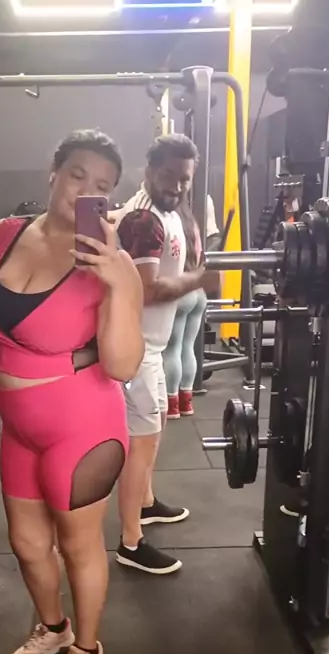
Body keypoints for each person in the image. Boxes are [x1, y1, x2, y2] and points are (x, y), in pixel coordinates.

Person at [0, 130, 144, 654]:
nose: (86, 190)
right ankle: (53, 628)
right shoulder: (3, 235)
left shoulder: (113, 265)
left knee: (77, 545)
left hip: (83, 425)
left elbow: (122, 365)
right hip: (19, 425)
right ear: (53, 173)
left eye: (102, 186)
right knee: (26, 543)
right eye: (77, 175)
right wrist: (4, 348)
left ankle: (87, 652)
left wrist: (117, 286)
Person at [114, 134, 220, 576]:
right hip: (134, 349)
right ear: (149, 170)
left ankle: (146, 501)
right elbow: (148, 289)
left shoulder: (170, 212)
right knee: (140, 443)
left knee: (154, 431)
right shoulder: (143, 219)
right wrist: (200, 280)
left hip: (153, 347)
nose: (176, 185)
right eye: (168, 175)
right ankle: (130, 541)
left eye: (184, 179)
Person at [163, 194, 219, 419]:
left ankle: (171, 405)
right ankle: (186, 403)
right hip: (198, 293)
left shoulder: (168, 223)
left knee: (172, 349)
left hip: (182, 290)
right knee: (187, 347)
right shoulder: (192, 223)